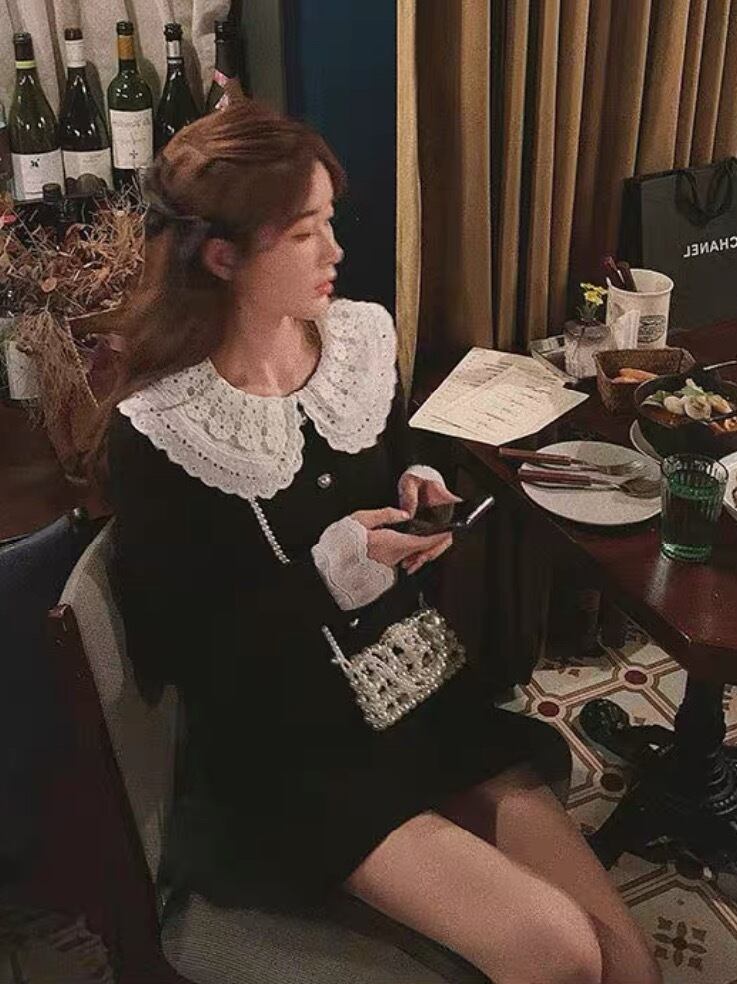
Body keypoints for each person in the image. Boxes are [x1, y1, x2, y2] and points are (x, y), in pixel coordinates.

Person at [100, 98, 662, 984]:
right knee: (557, 951)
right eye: (304, 234)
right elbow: (171, 651)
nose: (334, 251)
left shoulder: (357, 341)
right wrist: (328, 578)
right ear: (221, 257)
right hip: (292, 752)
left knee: (625, 961)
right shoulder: (160, 429)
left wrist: (417, 492)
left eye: (330, 221)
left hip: (416, 690)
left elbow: (394, 466)